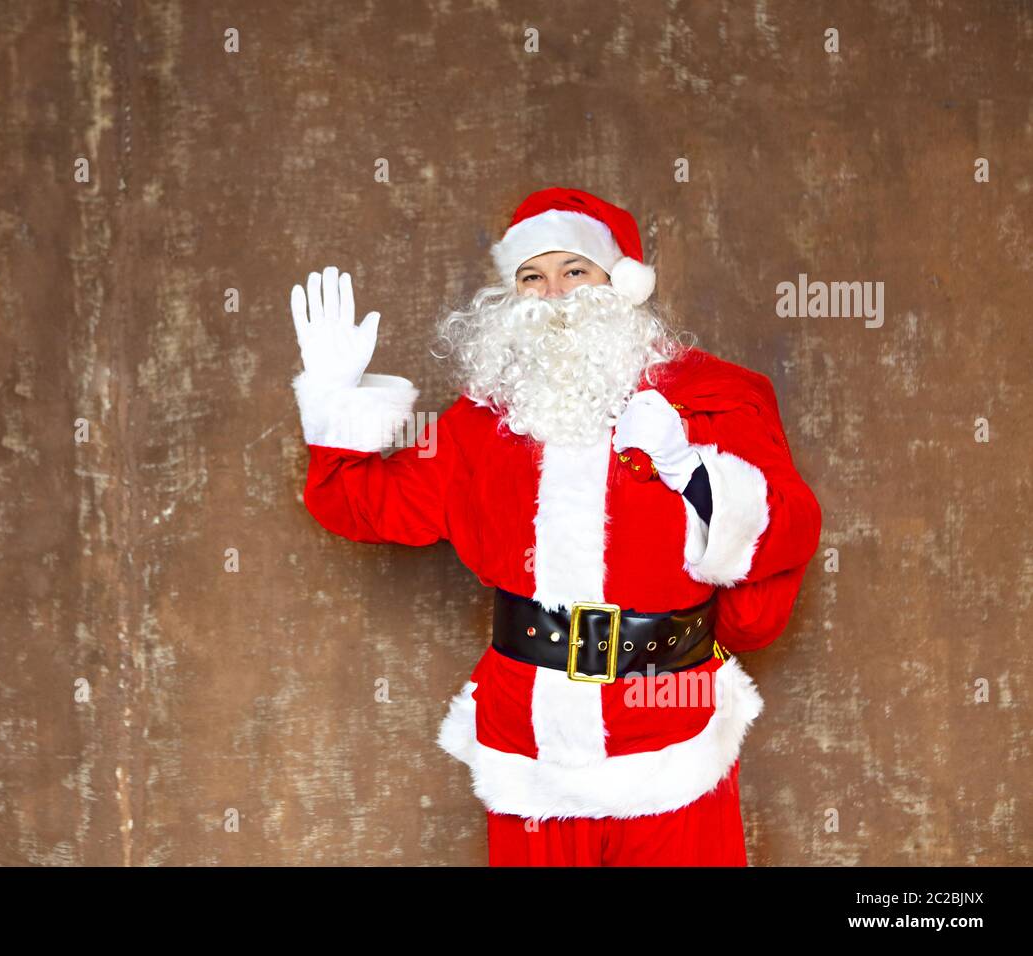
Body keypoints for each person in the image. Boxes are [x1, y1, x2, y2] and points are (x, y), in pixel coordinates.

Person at [288, 186, 822, 866]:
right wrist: (335, 402)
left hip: (669, 727)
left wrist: (688, 468)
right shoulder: (481, 422)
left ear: (618, 283)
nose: (555, 292)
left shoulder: (715, 398)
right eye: (532, 277)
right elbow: (368, 506)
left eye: (575, 271)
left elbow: (790, 527)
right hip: (528, 735)